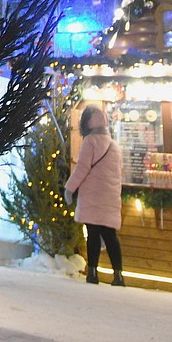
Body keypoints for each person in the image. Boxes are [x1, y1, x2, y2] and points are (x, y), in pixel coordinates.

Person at [64, 104, 125, 286]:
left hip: (92, 197)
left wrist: (70, 189)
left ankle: (92, 273)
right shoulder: (115, 146)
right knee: (110, 236)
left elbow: (82, 169)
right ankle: (119, 276)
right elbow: (119, 172)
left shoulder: (90, 142)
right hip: (110, 197)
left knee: (93, 234)